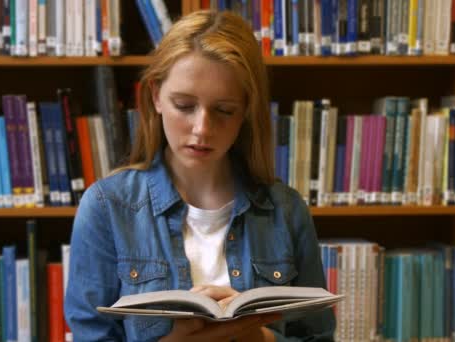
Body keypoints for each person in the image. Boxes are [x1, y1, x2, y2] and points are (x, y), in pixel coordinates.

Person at [64, 10, 335, 342]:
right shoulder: (107, 207)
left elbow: (318, 337)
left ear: (246, 111)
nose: (202, 129)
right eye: (184, 105)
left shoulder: (286, 210)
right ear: (155, 96)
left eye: (224, 110)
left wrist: (258, 338)